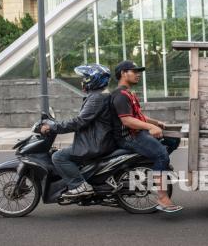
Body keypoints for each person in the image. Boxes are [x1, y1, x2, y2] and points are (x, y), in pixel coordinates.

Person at [110, 60, 182, 213]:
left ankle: (152, 166)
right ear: (123, 73)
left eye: (138, 72)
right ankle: (162, 197)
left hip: (137, 133)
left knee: (173, 139)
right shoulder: (120, 95)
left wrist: (157, 123)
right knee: (161, 154)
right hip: (128, 137)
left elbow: (138, 115)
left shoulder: (129, 93)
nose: (138, 75)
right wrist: (150, 127)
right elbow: (127, 120)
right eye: (134, 71)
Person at [41, 64, 116, 198]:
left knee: (58, 157)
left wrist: (53, 127)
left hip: (96, 143)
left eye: (85, 78)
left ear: (94, 79)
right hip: (98, 139)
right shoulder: (100, 95)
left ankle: (80, 185)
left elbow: (79, 122)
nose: (83, 81)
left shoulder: (96, 98)